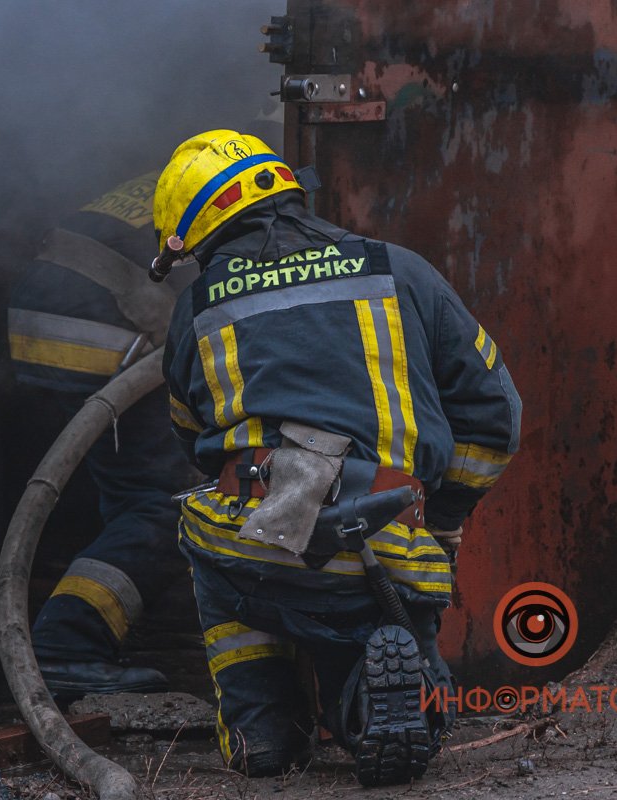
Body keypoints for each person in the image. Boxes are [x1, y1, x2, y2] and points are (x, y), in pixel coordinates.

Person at [155, 130, 521, 784]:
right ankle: (393, 680)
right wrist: (443, 515)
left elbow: (192, 439)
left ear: (200, 230)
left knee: (209, 544)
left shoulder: (199, 304)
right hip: (392, 530)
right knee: (391, 612)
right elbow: (497, 412)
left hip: (260, 541)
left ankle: (260, 727)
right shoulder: (400, 268)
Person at [7, 172, 199, 701]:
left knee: (129, 488)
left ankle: (119, 610)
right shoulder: (251, 191)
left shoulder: (188, 172)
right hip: (102, 328)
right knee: (171, 502)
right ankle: (68, 645)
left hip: (46, 313)